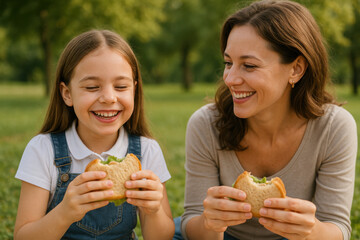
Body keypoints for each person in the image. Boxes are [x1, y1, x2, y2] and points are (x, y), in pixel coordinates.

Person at [180, 1, 358, 240]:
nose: (230, 79)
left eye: (249, 66)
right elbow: (192, 223)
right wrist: (210, 223)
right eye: (228, 63)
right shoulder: (205, 123)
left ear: (296, 69)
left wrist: (311, 230)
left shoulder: (334, 128)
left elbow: (338, 228)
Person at [14, 29, 175, 240]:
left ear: (134, 90)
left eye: (121, 86)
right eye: (92, 87)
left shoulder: (146, 151)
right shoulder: (43, 149)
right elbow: (22, 236)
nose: (109, 97)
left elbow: (161, 237)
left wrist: (153, 211)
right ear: (67, 93)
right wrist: (65, 212)